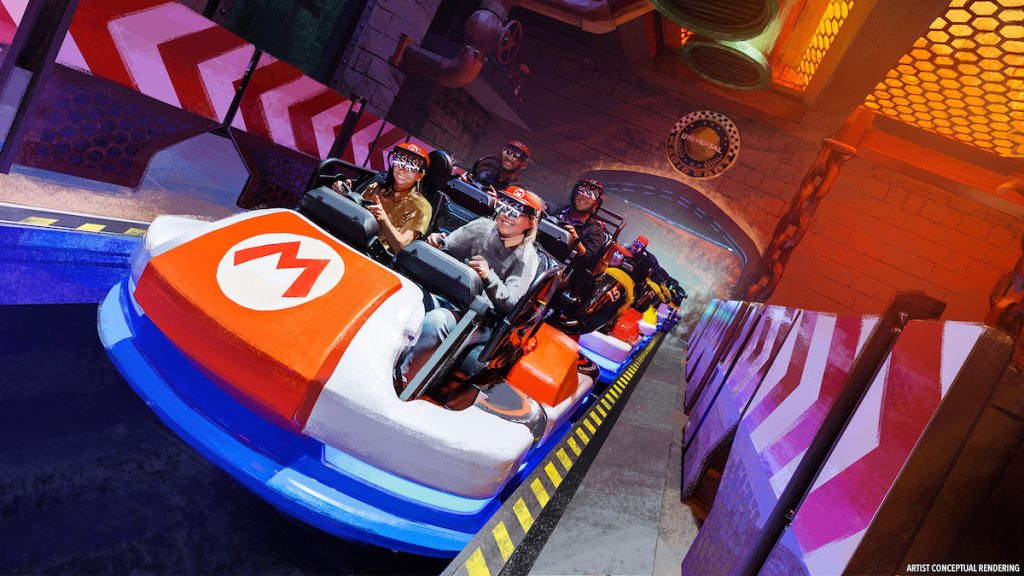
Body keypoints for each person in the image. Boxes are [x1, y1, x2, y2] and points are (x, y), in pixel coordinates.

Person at [402, 185, 546, 381]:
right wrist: (437, 242)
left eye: (515, 212)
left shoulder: (527, 257)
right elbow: (448, 248)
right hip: (451, 293)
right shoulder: (482, 227)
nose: (506, 215)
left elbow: (511, 303)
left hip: (478, 318)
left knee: (437, 322)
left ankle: (404, 380)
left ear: (530, 223)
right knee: (408, 301)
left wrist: (488, 276)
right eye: (504, 207)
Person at [332, 142, 432, 255]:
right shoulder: (376, 187)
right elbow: (353, 212)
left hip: (374, 256)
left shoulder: (422, 208)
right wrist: (344, 195)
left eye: (411, 167)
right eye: (400, 161)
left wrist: (383, 219)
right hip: (348, 237)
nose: (402, 169)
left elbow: (401, 248)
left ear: (420, 175)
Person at [550, 178, 610, 285]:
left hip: (562, 273)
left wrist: (576, 240)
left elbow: (587, 260)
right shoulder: (553, 209)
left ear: (596, 205)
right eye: (582, 190)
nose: (584, 196)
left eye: (590, 194)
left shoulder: (595, 231)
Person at [460, 140, 530, 192]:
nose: (509, 157)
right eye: (508, 151)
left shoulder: (518, 190)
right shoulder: (483, 172)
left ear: (523, 165)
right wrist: (466, 184)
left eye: (517, 155)